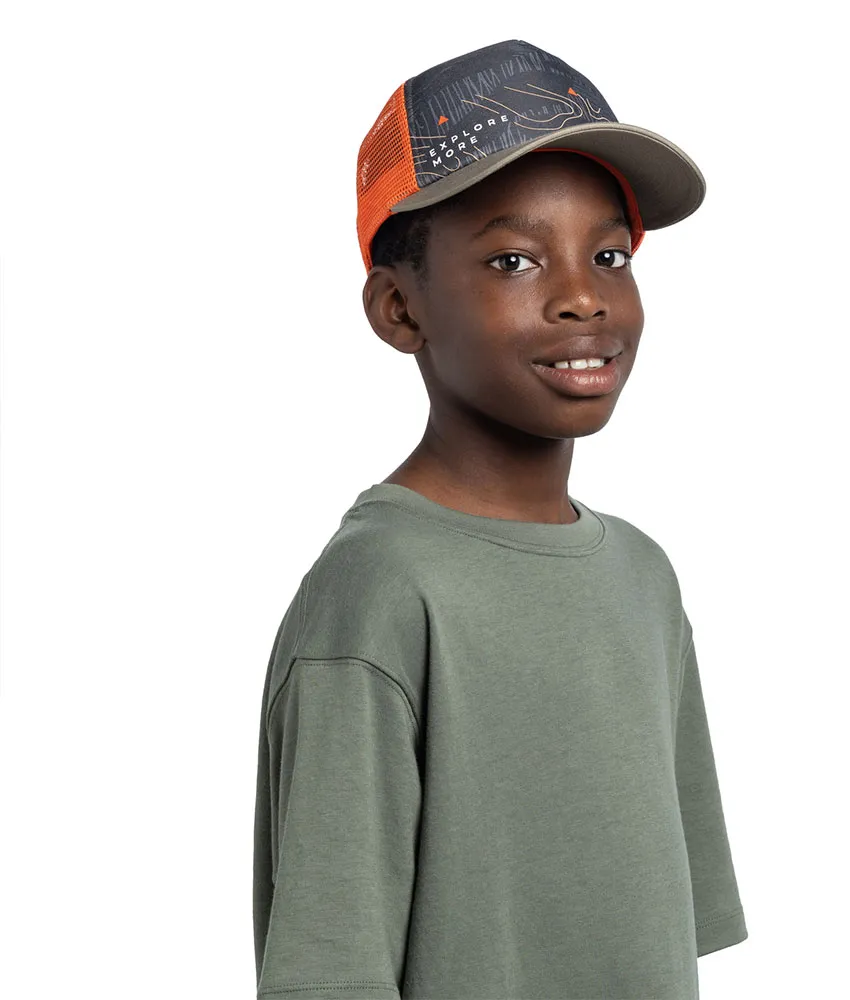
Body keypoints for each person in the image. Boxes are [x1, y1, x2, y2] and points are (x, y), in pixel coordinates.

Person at [253, 38, 748, 1000]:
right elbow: (328, 971)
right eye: (514, 259)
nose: (582, 297)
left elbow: (663, 933)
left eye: (609, 255)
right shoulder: (379, 594)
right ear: (400, 310)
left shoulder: (643, 576)